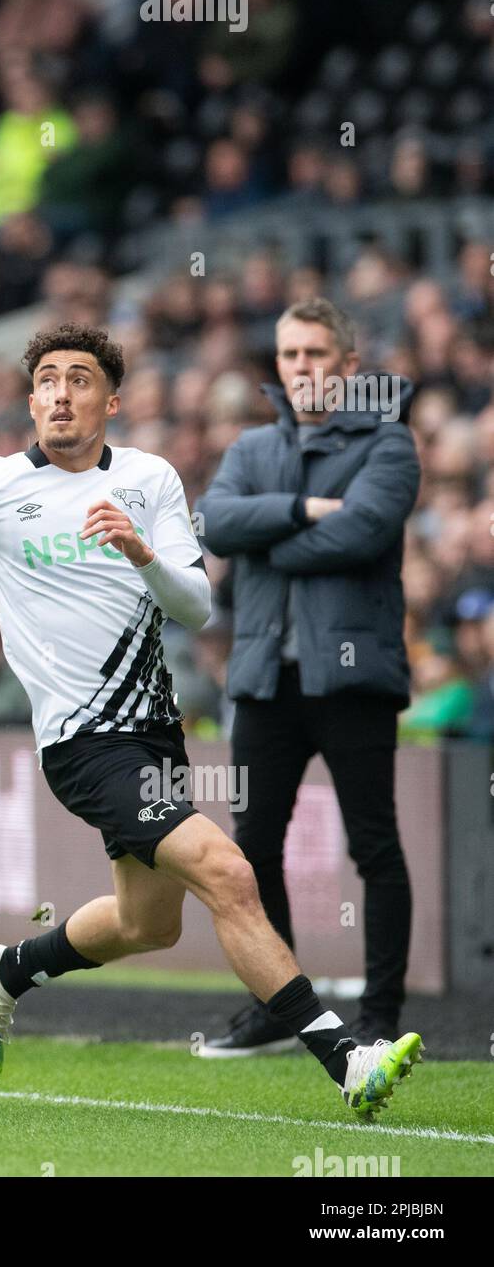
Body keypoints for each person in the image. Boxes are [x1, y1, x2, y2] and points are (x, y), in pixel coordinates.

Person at [0, 321, 423, 1119]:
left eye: (79, 379)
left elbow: (196, 602)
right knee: (229, 872)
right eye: (46, 379)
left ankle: (4, 970)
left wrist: (142, 553)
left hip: (155, 732)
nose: (60, 393)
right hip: (81, 742)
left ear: (110, 401)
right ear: (30, 398)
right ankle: (345, 1054)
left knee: (148, 926)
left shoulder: (147, 480)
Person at [198, 299, 419, 1050]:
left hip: (350, 680)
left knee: (373, 847)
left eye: (316, 354)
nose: (300, 368)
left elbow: (364, 532)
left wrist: (268, 539)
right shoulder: (252, 447)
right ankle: (279, 1008)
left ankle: (381, 1018)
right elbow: (213, 524)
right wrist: (301, 507)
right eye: (290, 355)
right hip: (265, 678)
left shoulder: (387, 443)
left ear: (348, 367)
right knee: (252, 848)